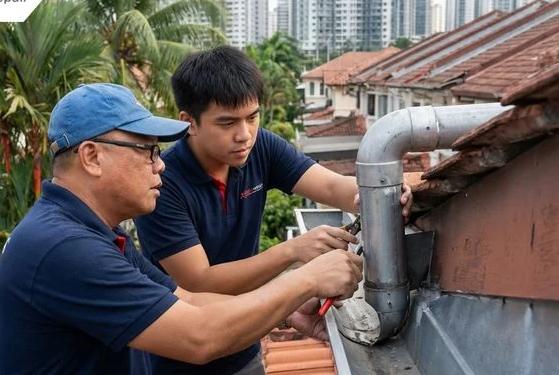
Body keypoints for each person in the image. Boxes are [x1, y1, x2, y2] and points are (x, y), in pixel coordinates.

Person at [0, 83, 365, 374]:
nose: (160, 165)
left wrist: (286, 308)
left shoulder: (95, 233)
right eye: (147, 151)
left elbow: (187, 299)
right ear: (92, 156)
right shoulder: (63, 247)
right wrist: (305, 279)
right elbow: (200, 333)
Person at [133, 46, 414, 374]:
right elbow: (199, 281)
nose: (244, 135)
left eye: (252, 117)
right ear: (188, 122)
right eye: (227, 123)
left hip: (244, 345)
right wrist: (294, 252)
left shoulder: (260, 147)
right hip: (178, 359)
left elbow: (328, 186)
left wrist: (379, 195)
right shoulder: (163, 183)